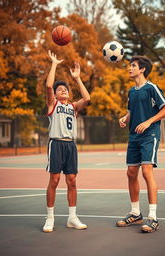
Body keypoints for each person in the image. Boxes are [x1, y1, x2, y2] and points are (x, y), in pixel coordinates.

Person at [116, 56, 165, 233]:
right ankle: (135, 213)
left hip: (150, 135)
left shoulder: (152, 88)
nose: (129, 68)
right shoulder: (131, 92)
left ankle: (153, 217)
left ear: (142, 69)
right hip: (134, 136)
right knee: (131, 172)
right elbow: (132, 111)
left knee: (147, 171)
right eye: (129, 65)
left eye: (132, 66)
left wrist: (149, 122)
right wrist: (125, 118)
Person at [43, 50, 90, 232]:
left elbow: (87, 98)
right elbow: (48, 87)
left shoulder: (73, 107)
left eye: (65, 89)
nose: (63, 90)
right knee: (54, 180)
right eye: (59, 89)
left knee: (72, 180)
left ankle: (72, 217)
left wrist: (77, 78)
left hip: (70, 145)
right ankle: (49, 218)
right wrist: (54, 64)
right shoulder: (52, 104)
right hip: (56, 144)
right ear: (55, 95)